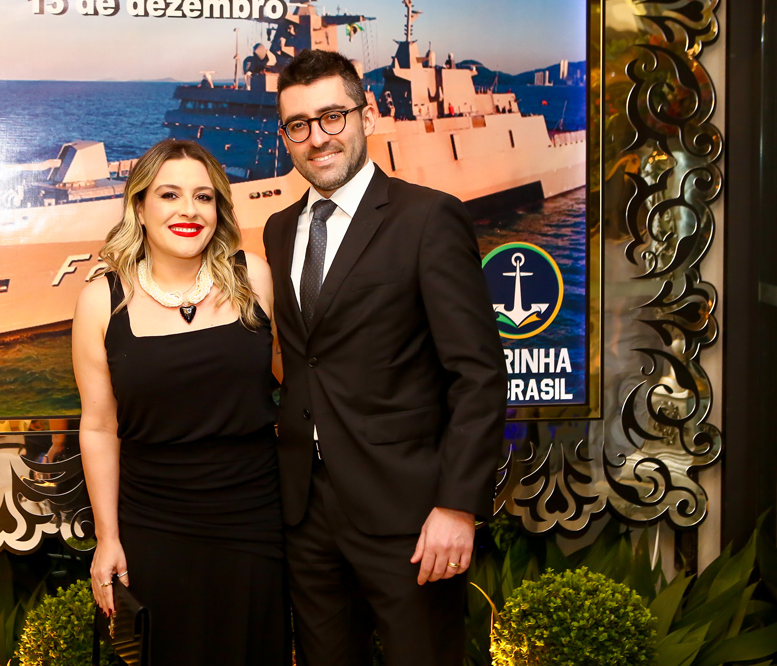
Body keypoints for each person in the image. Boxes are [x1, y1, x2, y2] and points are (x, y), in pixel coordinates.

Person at [262, 49, 507, 666]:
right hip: (305, 513)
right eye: (298, 125)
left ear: (365, 116)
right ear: (286, 137)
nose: (317, 137)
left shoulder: (428, 217)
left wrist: (457, 506)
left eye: (332, 116)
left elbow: (477, 374)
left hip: (411, 515)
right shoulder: (279, 230)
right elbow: (305, 360)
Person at [74, 138, 287, 666]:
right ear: (139, 207)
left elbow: (299, 381)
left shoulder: (252, 276)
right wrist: (107, 538)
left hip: (256, 519)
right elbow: (99, 427)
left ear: (219, 209)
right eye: (169, 195)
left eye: (203, 197)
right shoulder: (101, 300)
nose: (188, 210)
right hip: (154, 527)